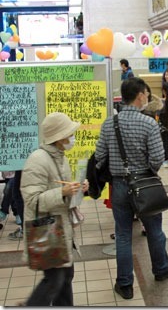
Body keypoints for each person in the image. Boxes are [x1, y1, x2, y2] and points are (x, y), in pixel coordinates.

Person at [95, 77, 168, 300]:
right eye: (146, 94)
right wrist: (146, 169)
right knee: (154, 230)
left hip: (119, 186)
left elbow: (100, 156)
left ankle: (124, 284)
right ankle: (161, 269)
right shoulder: (148, 123)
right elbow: (157, 158)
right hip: (145, 186)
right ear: (141, 95)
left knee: (123, 234)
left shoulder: (108, 123)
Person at [20, 112, 88, 306]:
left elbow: (62, 192)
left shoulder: (60, 157)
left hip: (60, 229)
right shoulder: (38, 160)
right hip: (47, 231)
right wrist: (62, 192)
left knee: (65, 277)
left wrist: (76, 189)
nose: (73, 137)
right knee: (55, 280)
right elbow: (32, 199)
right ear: (59, 137)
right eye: (70, 133)